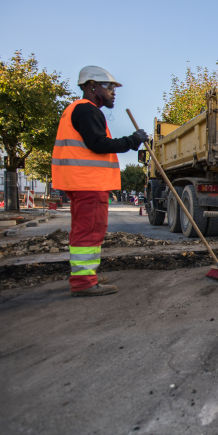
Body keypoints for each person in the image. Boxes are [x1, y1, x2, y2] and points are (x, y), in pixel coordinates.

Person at [52, 66, 149, 296]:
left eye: (114, 87)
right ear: (91, 86)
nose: (113, 92)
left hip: (82, 182)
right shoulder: (86, 110)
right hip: (88, 183)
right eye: (109, 87)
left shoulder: (79, 110)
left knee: (88, 229)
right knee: (89, 230)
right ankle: (84, 283)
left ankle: (86, 275)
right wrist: (133, 140)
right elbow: (98, 144)